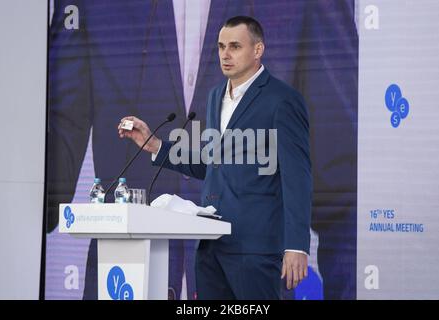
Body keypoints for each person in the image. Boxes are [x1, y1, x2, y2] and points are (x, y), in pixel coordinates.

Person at [119, 16, 312, 299]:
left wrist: (297, 245)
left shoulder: (282, 100)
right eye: (221, 46)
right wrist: (156, 145)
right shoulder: (214, 97)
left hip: (256, 248)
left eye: (235, 46)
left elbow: (298, 177)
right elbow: (214, 162)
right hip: (211, 245)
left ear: (258, 50)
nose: (225, 54)